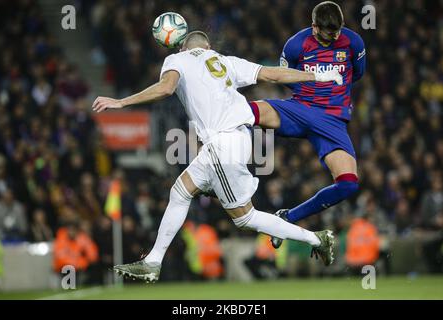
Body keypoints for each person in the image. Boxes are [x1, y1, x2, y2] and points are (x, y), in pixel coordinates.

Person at [92, 31, 342, 282]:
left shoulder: (177, 60)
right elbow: (274, 74)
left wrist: (122, 102)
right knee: (180, 191)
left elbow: (166, 88)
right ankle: (153, 262)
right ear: (209, 46)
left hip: (222, 143)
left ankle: (317, 239)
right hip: (239, 138)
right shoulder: (227, 61)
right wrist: (318, 75)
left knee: (245, 218)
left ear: (182, 48)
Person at [248, 1, 366, 249]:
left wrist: (333, 95)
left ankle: (287, 218)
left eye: (337, 31)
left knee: (348, 184)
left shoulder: (353, 42)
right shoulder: (295, 45)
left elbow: (357, 73)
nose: (334, 37)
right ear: (314, 27)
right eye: (328, 33)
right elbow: (284, 77)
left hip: (333, 121)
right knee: (248, 111)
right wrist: (311, 92)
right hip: (300, 109)